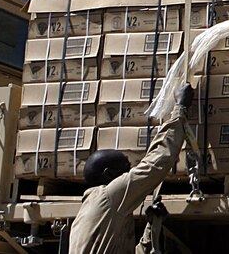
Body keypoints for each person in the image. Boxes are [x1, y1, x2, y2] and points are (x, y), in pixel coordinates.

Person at [68, 83, 194, 254]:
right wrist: (180, 109)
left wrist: (151, 227)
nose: (131, 171)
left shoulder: (97, 210)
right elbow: (154, 166)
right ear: (109, 174)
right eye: (126, 168)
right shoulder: (107, 196)